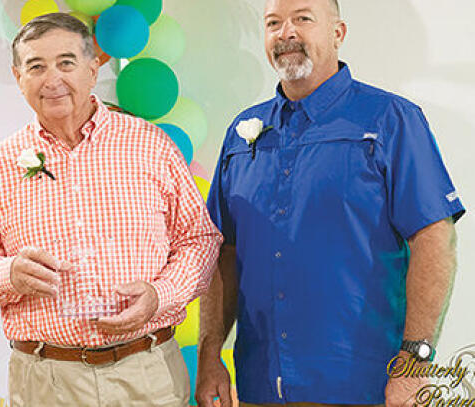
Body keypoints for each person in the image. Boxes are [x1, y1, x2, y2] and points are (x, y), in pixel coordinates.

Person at [196, 0, 465, 406]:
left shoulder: (391, 119)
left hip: (365, 386)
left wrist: (416, 365)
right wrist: (209, 354)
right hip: (260, 386)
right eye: (273, 23)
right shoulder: (241, 134)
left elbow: (435, 241)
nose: (286, 33)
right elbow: (222, 253)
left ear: (338, 33)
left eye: (303, 19)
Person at [0, 13, 222, 407]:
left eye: (66, 62)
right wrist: (7, 273)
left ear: (93, 69)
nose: (52, 79)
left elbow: (199, 240)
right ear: (18, 77)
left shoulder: (150, 145)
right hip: (44, 380)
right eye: (36, 66)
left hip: (148, 373)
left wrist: (160, 295)